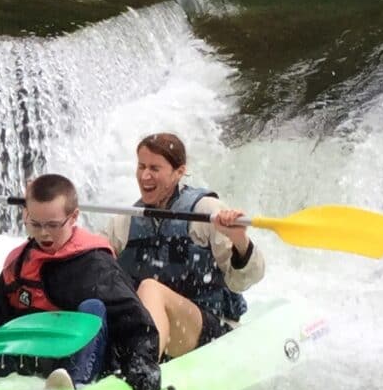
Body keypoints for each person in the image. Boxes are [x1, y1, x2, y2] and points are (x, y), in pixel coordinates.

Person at [0, 173, 166, 390]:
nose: (43, 233)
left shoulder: (95, 264)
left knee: (93, 307)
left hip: (91, 360)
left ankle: (74, 383)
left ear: (73, 218)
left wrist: (142, 368)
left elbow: (134, 320)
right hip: (34, 360)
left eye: (53, 225)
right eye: (35, 224)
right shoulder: (20, 261)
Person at [99, 133, 264, 360]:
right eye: (141, 166)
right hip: (151, 330)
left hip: (209, 328)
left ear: (179, 172)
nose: (145, 175)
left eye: (154, 168)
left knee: (150, 287)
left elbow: (244, 280)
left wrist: (239, 240)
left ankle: (142, 366)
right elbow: (94, 266)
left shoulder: (206, 211)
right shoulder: (125, 221)